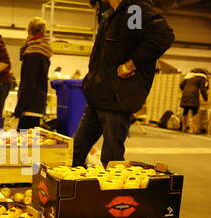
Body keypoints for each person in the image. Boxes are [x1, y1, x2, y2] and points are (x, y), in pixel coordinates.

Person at [73, 0, 174, 168]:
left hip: (117, 98)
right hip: (99, 96)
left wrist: (131, 64)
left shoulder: (133, 11)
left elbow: (162, 36)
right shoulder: (111, 14)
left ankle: (110, 194)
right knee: (76, 151)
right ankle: (75, 192)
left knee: (111, 160)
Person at [13, 17, 53, 130]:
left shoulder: (33, 52)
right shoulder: (43, 49)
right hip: (38, 101)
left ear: (28, 31)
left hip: (30, 103)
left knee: (25, 142)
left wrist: (19, 107)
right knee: (31, 141)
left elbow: (29, 82)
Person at [180, 68, 208, 133]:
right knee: (195, 111)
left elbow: (181, 85)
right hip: (194, 95)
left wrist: (185, 91)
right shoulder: (201, 78)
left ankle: (184, 128)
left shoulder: (188, 77)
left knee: (185, 110)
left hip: (185, 94)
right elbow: (203, 90)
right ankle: (194, 129)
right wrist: (205, 98)